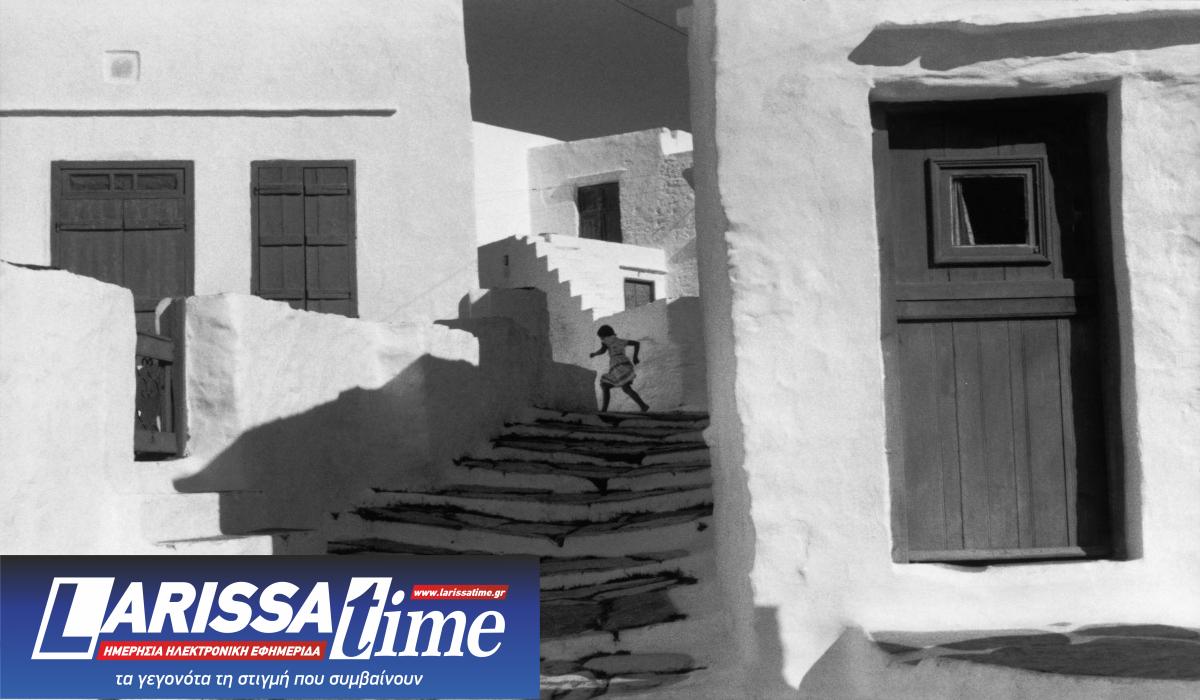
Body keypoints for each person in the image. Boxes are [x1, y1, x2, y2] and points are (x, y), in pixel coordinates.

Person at [589, 324, 650, 413]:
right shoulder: (620, 340)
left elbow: (602, 350)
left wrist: (594, 354)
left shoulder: (606, 341)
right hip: (625, 365)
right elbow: (637, 343)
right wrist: (635, 357)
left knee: (605, 384)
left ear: (604, 335)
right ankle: (643, 406)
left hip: (617, 366)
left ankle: (604, 410)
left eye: (601, 337)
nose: (601, 339)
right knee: (625, 388)